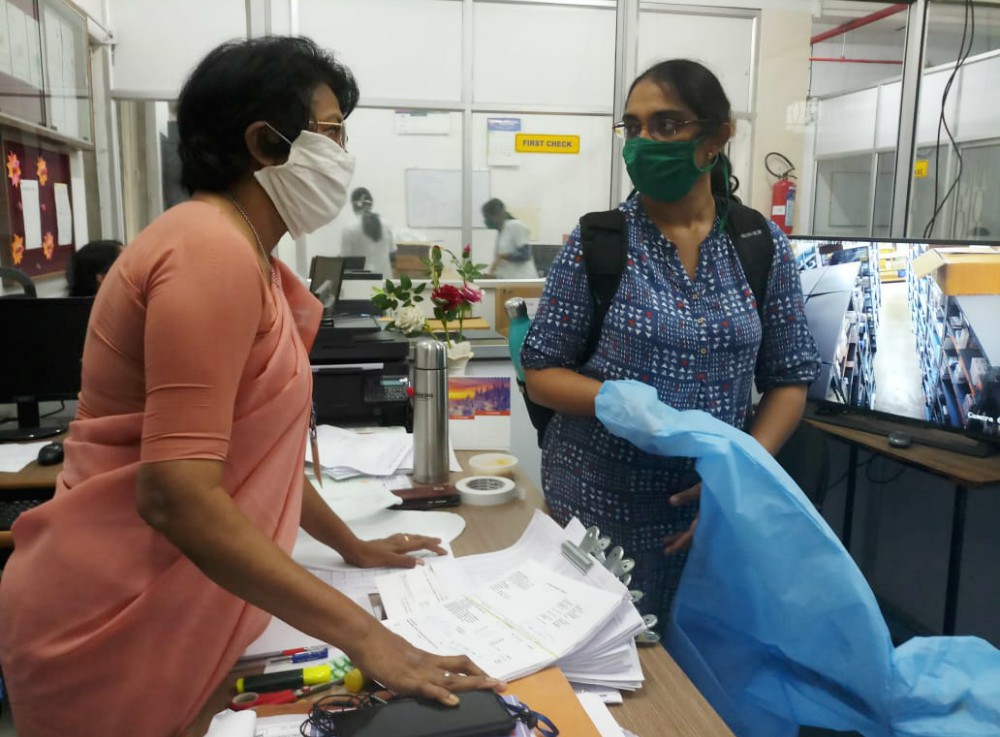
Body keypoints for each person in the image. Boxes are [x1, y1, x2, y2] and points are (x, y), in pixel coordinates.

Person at [0, 37, 502, 737]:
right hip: (113, 610)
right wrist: (372, 639)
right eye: (332, 131)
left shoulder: (244, 254)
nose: (345, 151)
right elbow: (178, 493)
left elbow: (258, 455)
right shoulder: (208, 251)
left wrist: (350, 546)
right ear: (266, 143)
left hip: (164, 590)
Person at [520, 59, 821, 633]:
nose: (643, 143)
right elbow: (541, 371)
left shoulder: (760, 244)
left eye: (666, 125)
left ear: (716, 138)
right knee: (606, 670)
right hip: (598, 507)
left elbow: (789, 378)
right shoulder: (600, 241)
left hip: (714, 507)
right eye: (633, 128)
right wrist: (614, 399)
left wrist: (738, 474)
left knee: (700, 674)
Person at [341, 186, 396, 278]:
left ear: (354, 205)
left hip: (362, 282)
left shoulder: (349, 228)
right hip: (385, 280)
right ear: (371, 204)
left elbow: (346, 260)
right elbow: (392, 253)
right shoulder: (387, 225)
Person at [483, 198, 537, 278]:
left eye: (487, 217)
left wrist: (502, 256)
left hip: (524, 280)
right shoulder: (501, 232)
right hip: (510, 282)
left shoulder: (516, 226)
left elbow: (525, 254)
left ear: (496, 215)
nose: (486, 220)